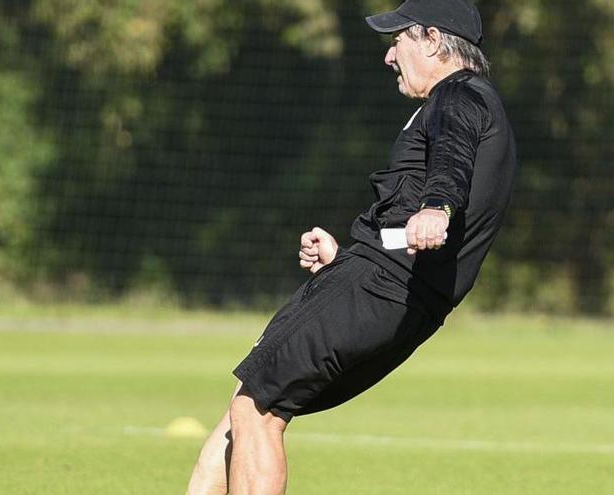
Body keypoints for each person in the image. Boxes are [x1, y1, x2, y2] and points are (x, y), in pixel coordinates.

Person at [187, 0, 517, 493]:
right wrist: (345, 258)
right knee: (249, 400)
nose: (389, 56)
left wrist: (437, 207)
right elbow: (417, 227)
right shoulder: (466, 101)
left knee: (259, 407)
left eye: (397, 39)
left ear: (431, 39)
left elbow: (452, 163)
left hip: (380, 284)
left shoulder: (459, 96)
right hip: (391, 287)